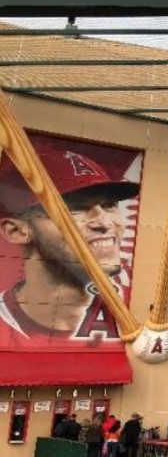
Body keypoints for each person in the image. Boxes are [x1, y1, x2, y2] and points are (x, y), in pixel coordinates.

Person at [0, 143, 140, 348]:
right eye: (74, 208)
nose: (105, 223)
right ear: (17, 231)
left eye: (109, 205)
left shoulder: (128, 318)